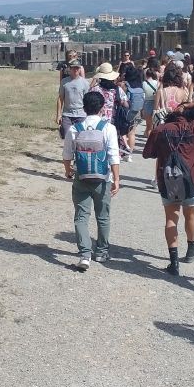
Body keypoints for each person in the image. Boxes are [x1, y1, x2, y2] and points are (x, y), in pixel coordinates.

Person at [142, 100, 194, 275]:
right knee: (191, 215)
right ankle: (191, 250)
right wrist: (187, 105)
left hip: (168, 181)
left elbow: (147, 153)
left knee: (171, 219)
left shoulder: (161, 130)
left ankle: (174, 263)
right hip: (193, 180)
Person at [62, 89, 121, 270]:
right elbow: (113, 155)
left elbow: (66, 154)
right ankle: (101, 252)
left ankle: (85, 255)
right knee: (103, 216)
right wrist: (116, 179)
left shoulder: (74, 129)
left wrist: (68, 171)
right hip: (103, 179)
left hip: (82, 177)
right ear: (102, 108)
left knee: (81, 217)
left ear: (83, 108)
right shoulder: (108, 128)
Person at [88, 62, 130, 156]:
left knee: (99, 146)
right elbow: (126, 104)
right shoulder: (118, 90)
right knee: (112, 147)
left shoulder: (95, 89)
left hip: (98, 122)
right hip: (114, 122)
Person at [118, 51, 146, 153]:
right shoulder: (139, 85)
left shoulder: (124, 85)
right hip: (137, 110)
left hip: (127, 111)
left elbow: (121, 98)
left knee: (123, 132)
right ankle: (130, 153)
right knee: (132, 132)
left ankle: (124, 150)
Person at [55, 60, 89, 138]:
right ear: (70, 69)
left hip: (81, 114)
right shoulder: (64, 82)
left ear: (80, 69)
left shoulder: (85, 83)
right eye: (73, 68)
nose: (76, 70)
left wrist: (88, 115)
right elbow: (60, 99)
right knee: (67, 137)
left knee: (81, 138)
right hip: (67, 115)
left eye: (77, 68)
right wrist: (58, 115)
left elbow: (87, 100)